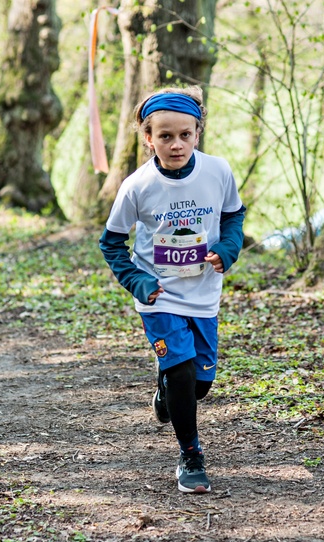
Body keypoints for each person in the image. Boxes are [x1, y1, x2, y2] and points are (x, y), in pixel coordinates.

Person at [99, 85, 246, 494]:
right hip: (158, 296)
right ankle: (191, 455)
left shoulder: (218, 171)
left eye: (185, 134)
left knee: (199, 384)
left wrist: (228, 248)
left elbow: (234, 217)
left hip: (204, 293)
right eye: (165, 136)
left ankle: (167, 390)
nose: (176, 144)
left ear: (198, 132)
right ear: (148, 138)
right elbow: (111, 243)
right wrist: (138, 280)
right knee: (181, 372)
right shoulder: (137, 186)